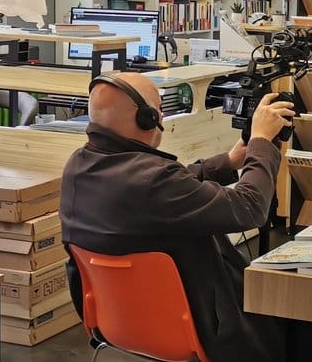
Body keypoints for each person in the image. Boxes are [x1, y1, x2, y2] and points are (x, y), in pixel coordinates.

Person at [60, 72, 298, 362]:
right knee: (302, 309)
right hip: (210, 331)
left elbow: (168, 184)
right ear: (147, 118)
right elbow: (251, 207)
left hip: (122, 326)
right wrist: (261, 141)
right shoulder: (157, 181)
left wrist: (229, 162)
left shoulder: (79, 166)